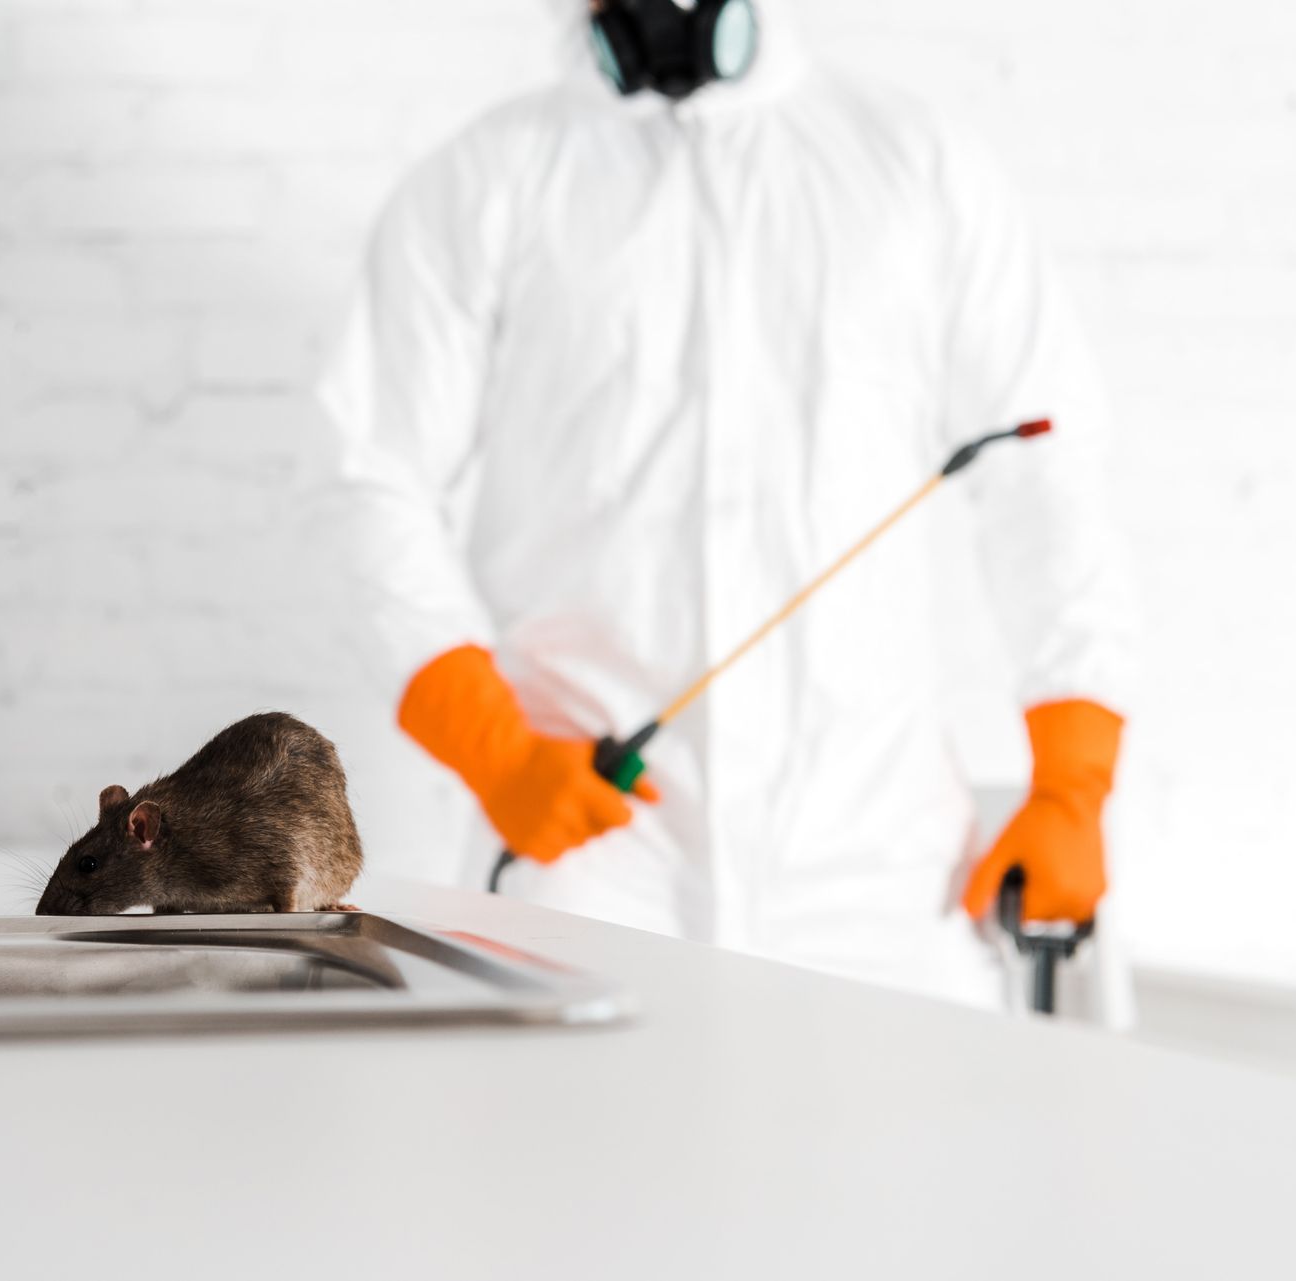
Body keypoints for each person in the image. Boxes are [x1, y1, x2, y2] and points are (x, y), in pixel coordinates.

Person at [316, 0, 1134, 1007]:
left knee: (916, 1164)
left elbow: (1045, 465)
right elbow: (368, 473)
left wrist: (1072, 780)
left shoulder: (915, 166)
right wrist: (488, 742)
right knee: (580, 1167)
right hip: (588, 872)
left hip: (880, 880)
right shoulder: (485, 182)